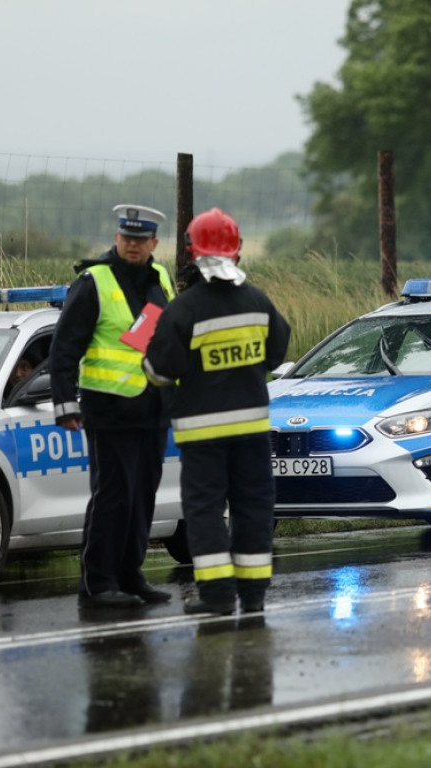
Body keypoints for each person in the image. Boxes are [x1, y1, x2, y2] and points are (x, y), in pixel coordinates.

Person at [143, 208, 290, 616]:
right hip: (253, 432)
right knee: (254, 507)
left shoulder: (184, 309)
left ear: (192, 252)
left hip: (201, 435)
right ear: (237, 251)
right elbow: (278, 351)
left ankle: (218, 596)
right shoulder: (259, 301)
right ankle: (254, 595)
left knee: (205, 510)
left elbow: (157, 371)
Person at [49, 204, 176, 609]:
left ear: (154, 243)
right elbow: (65, 347)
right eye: (127, 238)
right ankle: (99, 582)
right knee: (113, 496)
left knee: (142, 496)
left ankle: (130, 575)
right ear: (116, 238)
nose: (133, 245)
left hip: (153, 407)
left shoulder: (160, 278)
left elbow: (170, 339)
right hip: (109, 410)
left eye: (140, 240)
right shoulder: (94, 281)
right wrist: (65, 403)